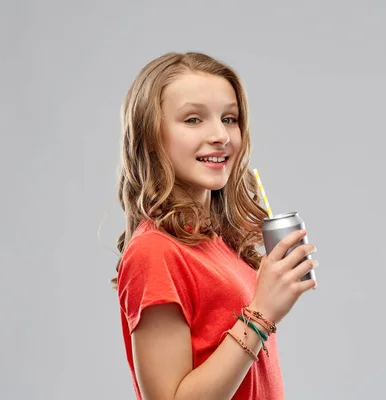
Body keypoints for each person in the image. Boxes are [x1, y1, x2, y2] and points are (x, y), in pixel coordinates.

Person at [112, 51, 318, 400]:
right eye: (193, 120)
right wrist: (262, 313)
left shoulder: (218, 243)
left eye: (229, 118)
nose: (220, 135)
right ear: (150, 135)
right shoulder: (154, 251)